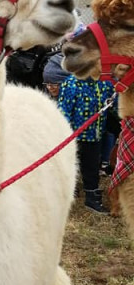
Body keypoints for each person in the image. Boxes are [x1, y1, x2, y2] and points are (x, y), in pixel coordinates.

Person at [43, 51, 114, 213]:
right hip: (75, 137)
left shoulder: (104, 84)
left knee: (92, 166)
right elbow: (64, 112)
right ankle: (69, 190)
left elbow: (114, 105)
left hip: (95, 135)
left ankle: (91, 196)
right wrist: (62, 134)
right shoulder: (71, 84)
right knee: (70, 164)